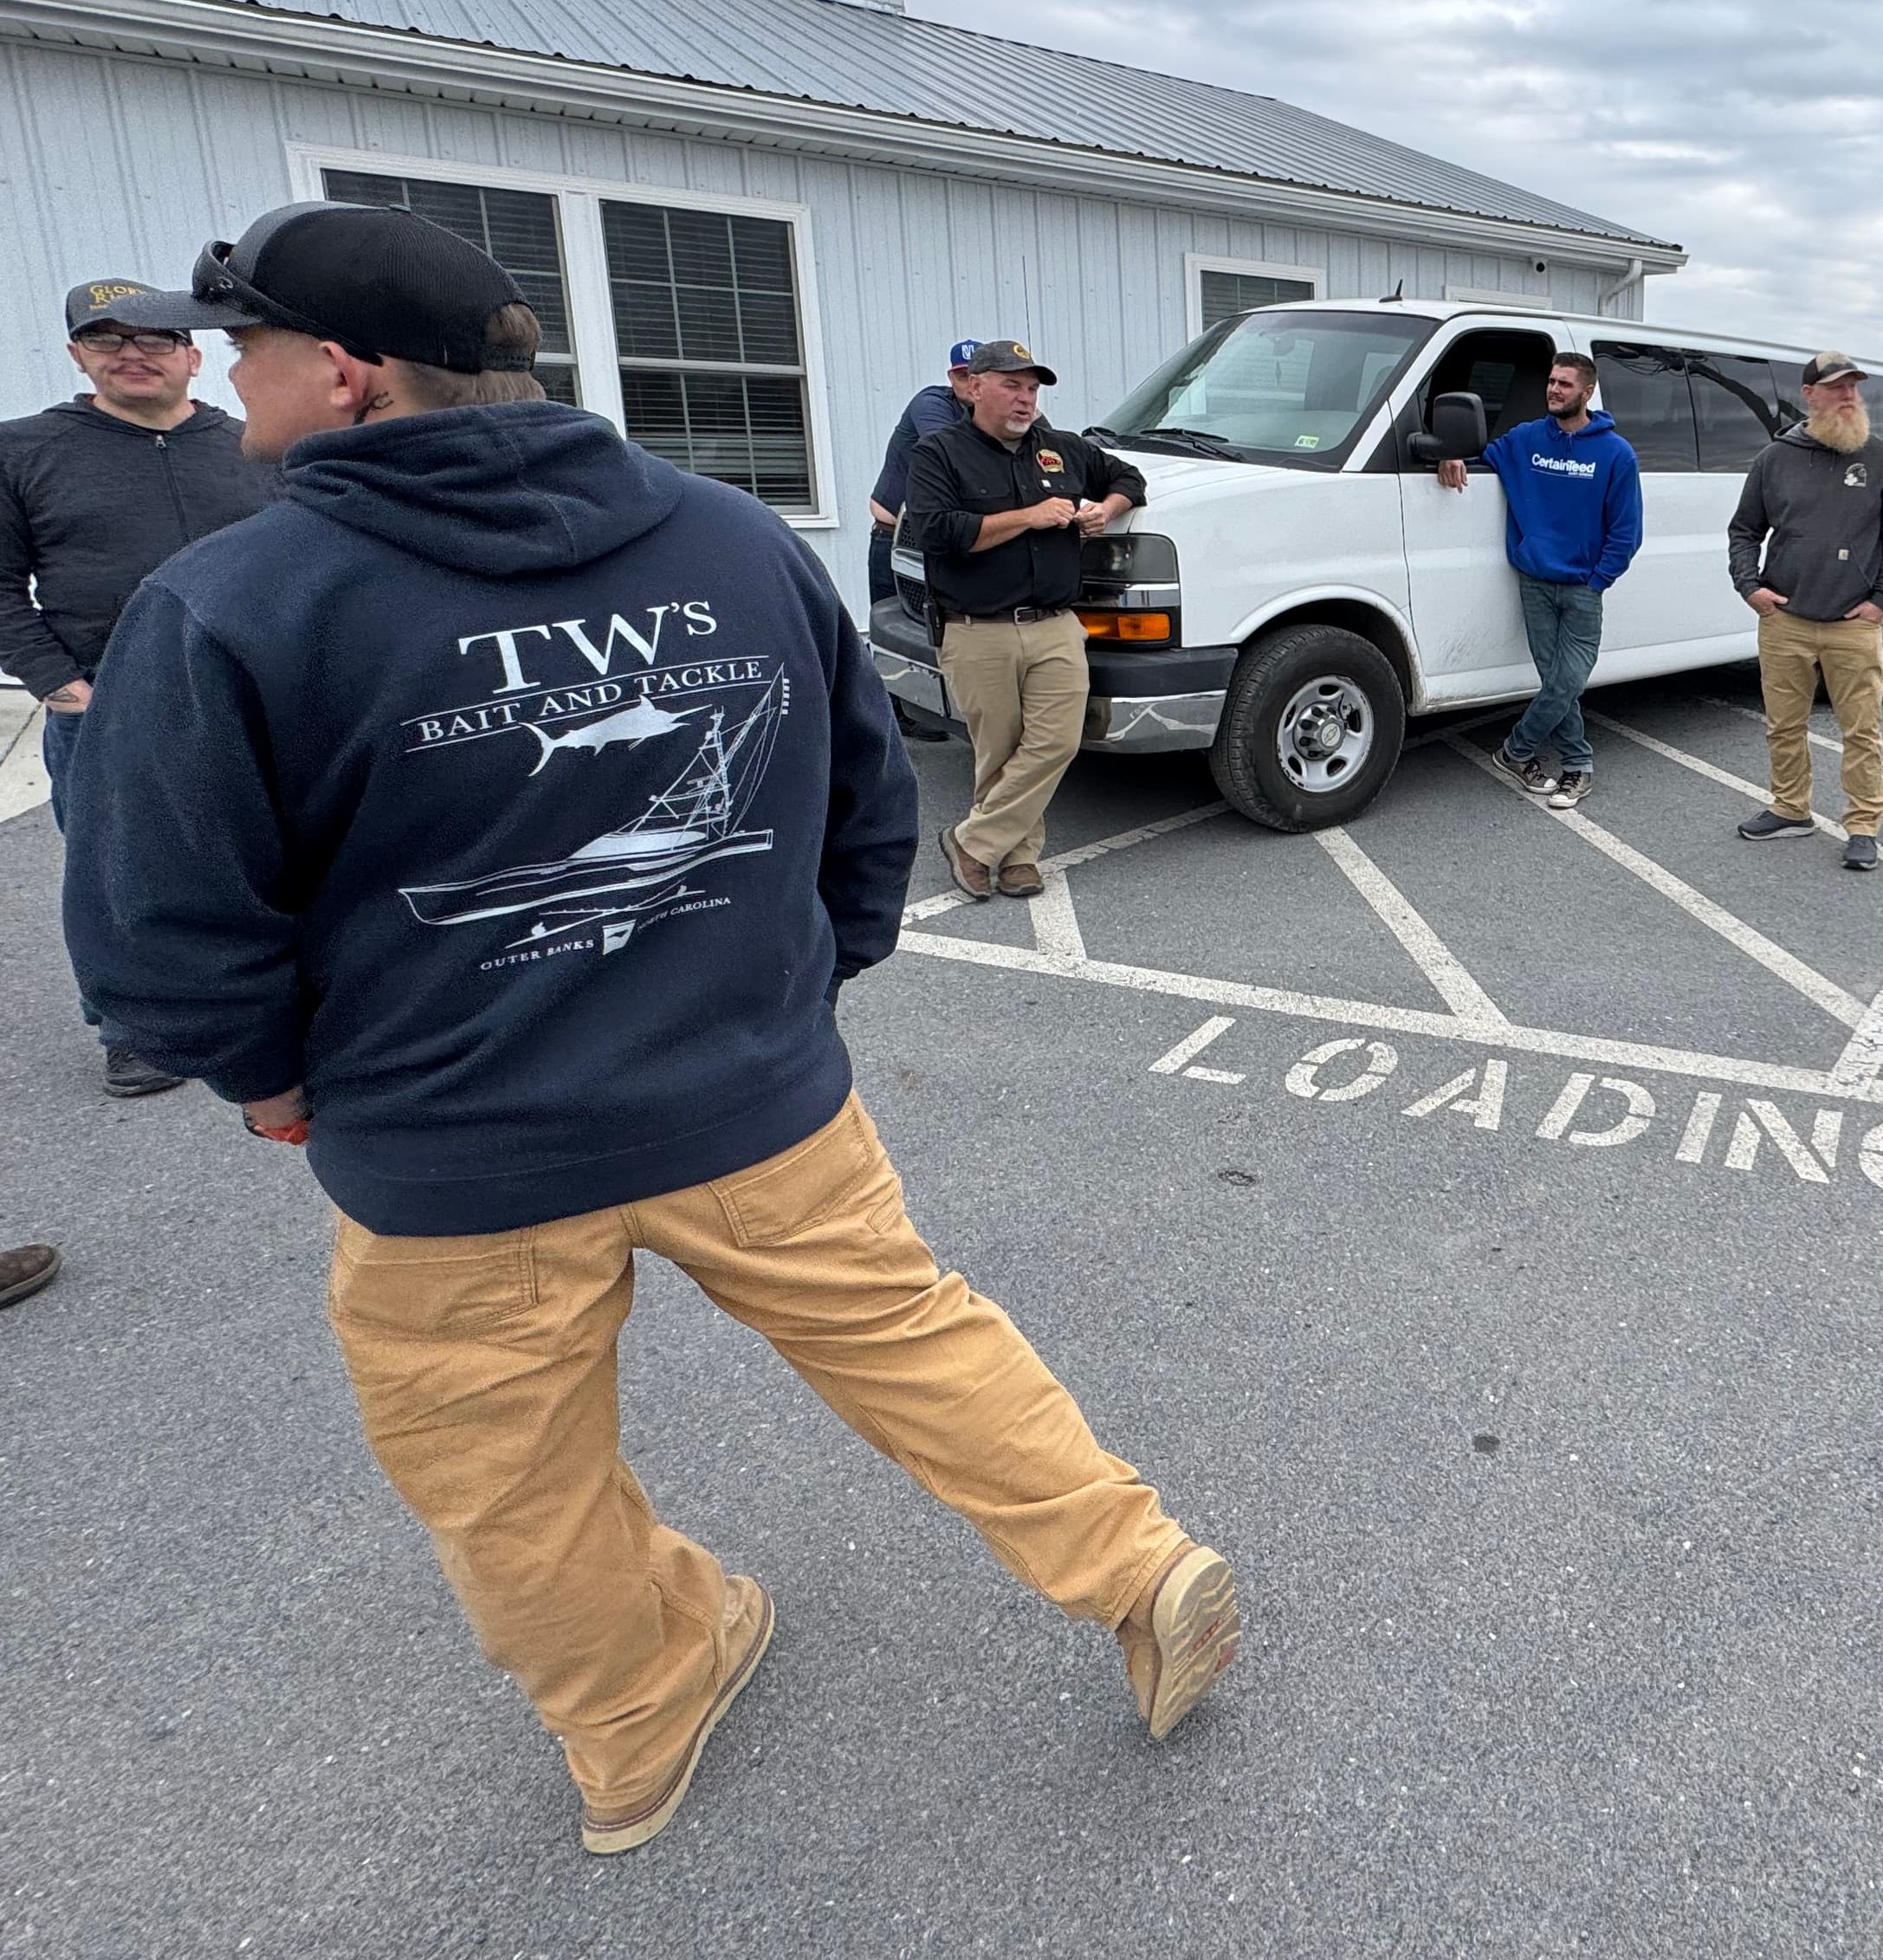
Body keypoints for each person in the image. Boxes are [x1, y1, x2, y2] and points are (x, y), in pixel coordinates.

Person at [61, 202, 1236, 1857]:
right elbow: (866, 800)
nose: (222, 377)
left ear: (339, 373)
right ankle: (1136, 1566)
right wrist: (794, 988)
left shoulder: (228, 602)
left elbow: (157, 918)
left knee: (507, 1476)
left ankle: (635, 1721)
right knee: (915, 1338)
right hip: (754, 1098)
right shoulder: (731, 540)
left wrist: (264, 1078)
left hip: (455, 1154)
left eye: (242, 347)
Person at [0, 276, 275, 1095]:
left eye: (155, 338)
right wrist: (63, 688)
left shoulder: (255, 444)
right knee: (120, 879)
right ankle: (134, 1032)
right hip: (107, 702)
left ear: (192, 357)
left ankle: (273, 1009)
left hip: (252, 697)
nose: (133, 353)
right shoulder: (23, 451)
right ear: (77, 354)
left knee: (268, 860)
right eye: (107, 338)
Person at [896, 340, 1143, 901]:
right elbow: (938, 533)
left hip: (1055, 625)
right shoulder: (938, 453)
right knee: (999, 752)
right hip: (977, 630)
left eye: (1031, 388)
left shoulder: (1063, 449)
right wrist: (1030, 516)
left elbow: (1129, 478)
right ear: (973, 386)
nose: (1025, 398)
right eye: (1011, 385)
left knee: (1057, 742)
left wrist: (1105, 510)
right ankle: (1017, 859)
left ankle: (971, 842)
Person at [1727, 350, 1883, 872]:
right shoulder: (1775, 459)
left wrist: (1881, 601)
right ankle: (1790, 808)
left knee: (1861, 730)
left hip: (1853, 624)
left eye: (1853, 386)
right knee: (1783, 725)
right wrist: (1750, 587)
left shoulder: (1882, 459)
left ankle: (1863, 824)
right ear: (1809, 395)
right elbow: (1744, 530)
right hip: (1785, 620)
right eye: (1836, 387)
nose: (1849, 395)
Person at [1435, 350, 1643, 807]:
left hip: (1583, 587)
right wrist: (1451, 455)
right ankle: (1578, 766)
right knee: (1555, 681)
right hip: (1534, 582)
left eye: (1565, 384)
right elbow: (1479, 451)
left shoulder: (1616, 454)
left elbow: (1627, 531)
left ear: (1587, 391)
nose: (1554, 390)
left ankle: (1515, 751)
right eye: (1551, 381)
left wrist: (1598, 579)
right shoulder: (1526, 439)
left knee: (1567, 682)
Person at [866, 338, 980, 606]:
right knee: (894, 623)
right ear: (951, 377)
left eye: (979, 377)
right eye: (963, 376)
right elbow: (954, 458)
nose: (971, 384)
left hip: (955, 544)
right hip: (897, 539)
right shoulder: (932, 404)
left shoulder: (999, 416)